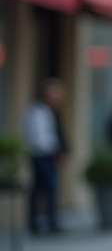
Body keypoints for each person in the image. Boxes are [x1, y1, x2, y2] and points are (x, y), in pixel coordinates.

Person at [23, 78, 69, 235]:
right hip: (40, 155)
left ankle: (48, 221)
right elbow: (39, 138)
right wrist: (53, 150)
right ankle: (40, 221)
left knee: (47, 188)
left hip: (50, 156)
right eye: (55, 94)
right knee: (44, 188)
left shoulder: (53, 112)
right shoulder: (35, 112)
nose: (58, 98)